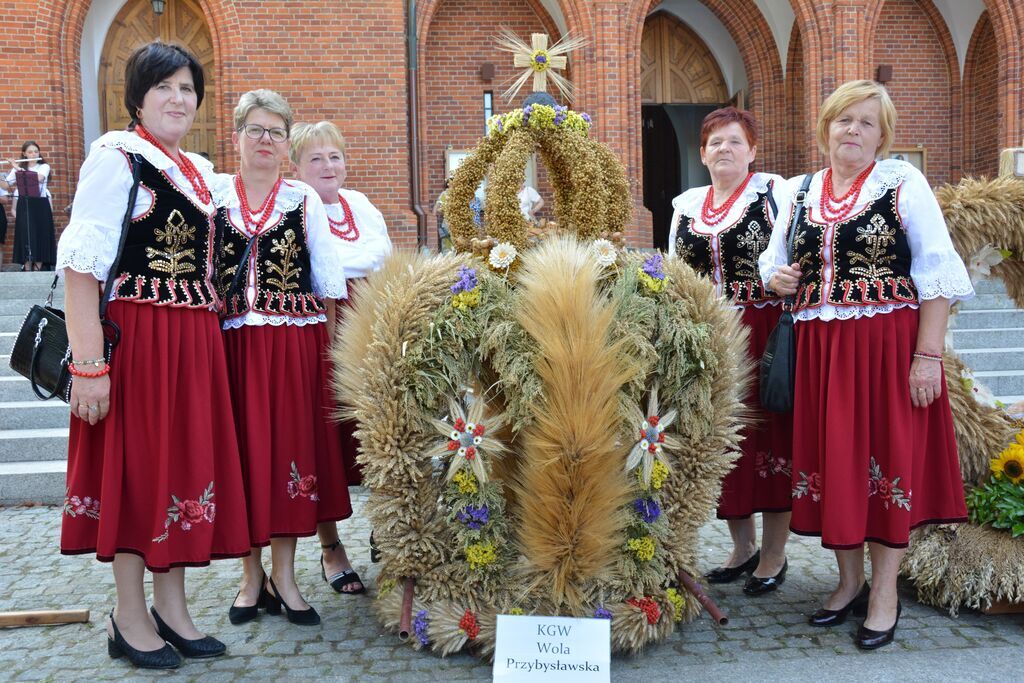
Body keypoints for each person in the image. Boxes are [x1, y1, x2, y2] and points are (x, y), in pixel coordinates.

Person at [760, 80, 973, 650]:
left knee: (885, 461)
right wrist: (776, 277)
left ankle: (884, 592)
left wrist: (928, 357)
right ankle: (848, 580)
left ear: (883, 136)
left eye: (866, 123)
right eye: (843, 120)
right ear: (826, 126)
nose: (852, 130)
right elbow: (775, 262)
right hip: (821, 354)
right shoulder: (801, 191)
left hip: (886, 349)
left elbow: (938, 275)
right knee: (838, 465)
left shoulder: (902, 183)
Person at [57, 41, 249, 669]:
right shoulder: (116, 158)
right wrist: (88, 366)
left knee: (182, 469)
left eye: (187, 89)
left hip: (191, 343)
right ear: (136, 96)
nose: (177, 98)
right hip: (137, 342)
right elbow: (82, 268)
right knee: (140, 473)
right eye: (163, 87)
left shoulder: (195, 169)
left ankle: (172, 609)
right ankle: (128, 616)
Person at [214, 91, 352, 627]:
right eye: (256, 130)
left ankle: (287, 577)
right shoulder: (213, 197)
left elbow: (328, 282)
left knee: (290, 455)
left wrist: (333, 358)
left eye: (275, 131)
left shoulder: (303, 200)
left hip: (294, 343)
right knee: (245, 457)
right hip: (231, 345)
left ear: (286, 143)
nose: (265, 140)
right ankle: (251, 579)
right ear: (237, 138)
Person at [668, 107, 794, 596]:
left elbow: (793, 253)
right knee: (726, 443)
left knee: (772, 436)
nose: (724, 149)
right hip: (711, 334)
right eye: (715, 142)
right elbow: (676, 271)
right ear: (702, 154)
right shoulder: (688, 205)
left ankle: (776, 554)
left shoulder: (774, 194)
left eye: (735, 141)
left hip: (763, 329)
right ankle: (742, 548)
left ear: (752, 151)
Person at [289, 119, 393, 595]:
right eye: (316, 158)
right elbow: (318, 264)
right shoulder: (294, 207)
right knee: (324, 441)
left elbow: (384, 258)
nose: (328, 166)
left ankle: (388, 528)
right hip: (320, 325)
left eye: (335, 156)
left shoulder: (361, 205)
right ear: (297, 167)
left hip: (370, 323)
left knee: (378, 433)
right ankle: (331, 546)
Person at [3, 141, 56, 270]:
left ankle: (38, 267)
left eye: (36, 151)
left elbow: (38, 178)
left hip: (40, 204)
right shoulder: (19, 167)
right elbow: (6, 185)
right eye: (30, 152)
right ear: (24, 154)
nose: (34, 154)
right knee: (26, 234)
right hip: (24, 204)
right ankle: (27, 267)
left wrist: (17, 167)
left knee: (40, 234)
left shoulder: (44, 166)